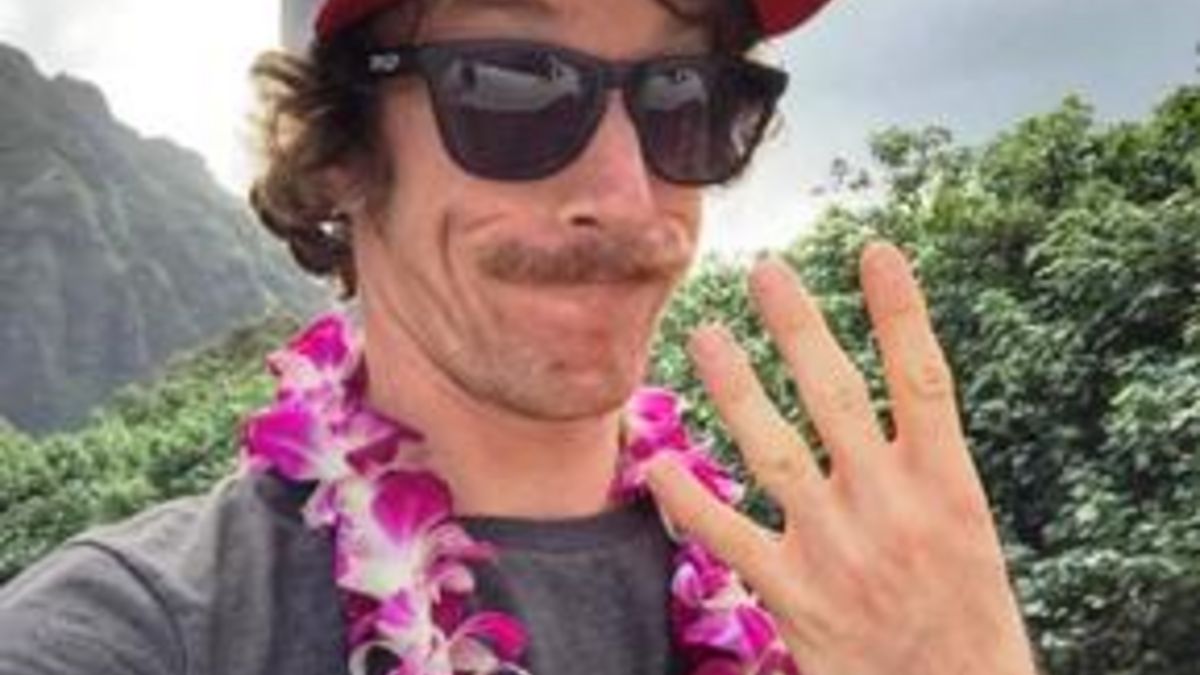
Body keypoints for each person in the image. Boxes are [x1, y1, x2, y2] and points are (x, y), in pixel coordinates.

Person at [0, 0, 1041, 673]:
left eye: (684, 96)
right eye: (512, 87)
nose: (626, 196)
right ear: (337, 153)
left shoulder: (866, 616)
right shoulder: (146, 635)